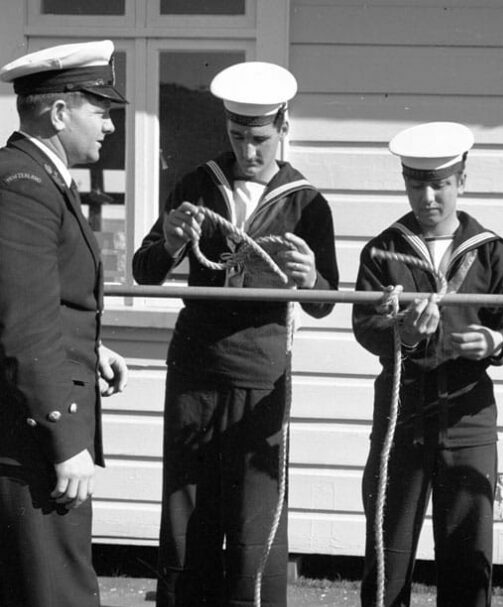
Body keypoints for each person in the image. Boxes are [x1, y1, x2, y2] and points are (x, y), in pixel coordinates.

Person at [132, 61, 339, 607]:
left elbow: (324, 302)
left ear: (283, 127)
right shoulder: (198, 185)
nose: (249, 152)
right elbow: (145, 269)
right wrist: (173, 242)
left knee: (255, 526)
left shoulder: (306, 202)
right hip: (195, 372)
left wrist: (309, 278)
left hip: (260, 376)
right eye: (238, 137)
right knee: (187, 517)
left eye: (261, 139)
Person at [352, 122, 503, 607]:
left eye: (441, 184)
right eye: (417, 184)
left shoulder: (491, 251)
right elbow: (365, 325)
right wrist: (402, 335)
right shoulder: (382, 250)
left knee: (467, 557)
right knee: (388, 554)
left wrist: (494, 341)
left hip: (468, 420)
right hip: (401, 419)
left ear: (462, 181)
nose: (428, 196)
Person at [0, 40, 129, 607]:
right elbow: (24, 324)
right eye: (99, 111)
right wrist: (64, 440)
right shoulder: (23, 186)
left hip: (30, 424)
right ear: (58, 113)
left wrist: (90, 347)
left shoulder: (35, 177)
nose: (108, 126)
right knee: (58, 592)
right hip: (32, 437)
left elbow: (50, 297)